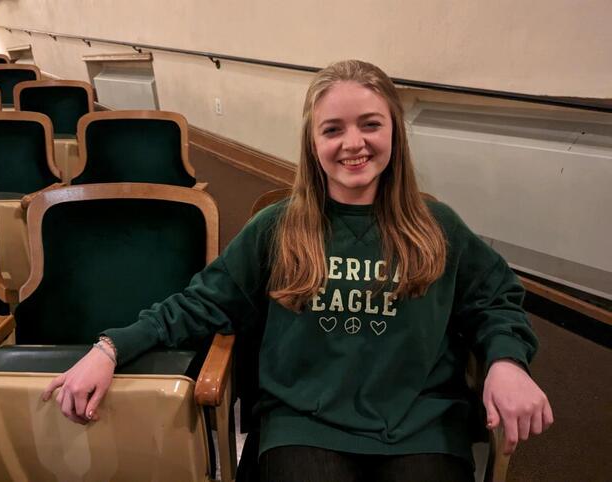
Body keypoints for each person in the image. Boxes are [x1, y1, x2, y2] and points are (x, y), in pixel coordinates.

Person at [43, 59, 553, 482]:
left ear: (394, 130)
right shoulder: (277, 227)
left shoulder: (435, 225)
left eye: (370, 124)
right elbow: (199, 303)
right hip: (304, 423)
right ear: (313, 142)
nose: (353, 143)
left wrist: (507, 361)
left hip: (421, 420)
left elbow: (495, 299)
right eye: (333, 129)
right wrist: (109, 349)